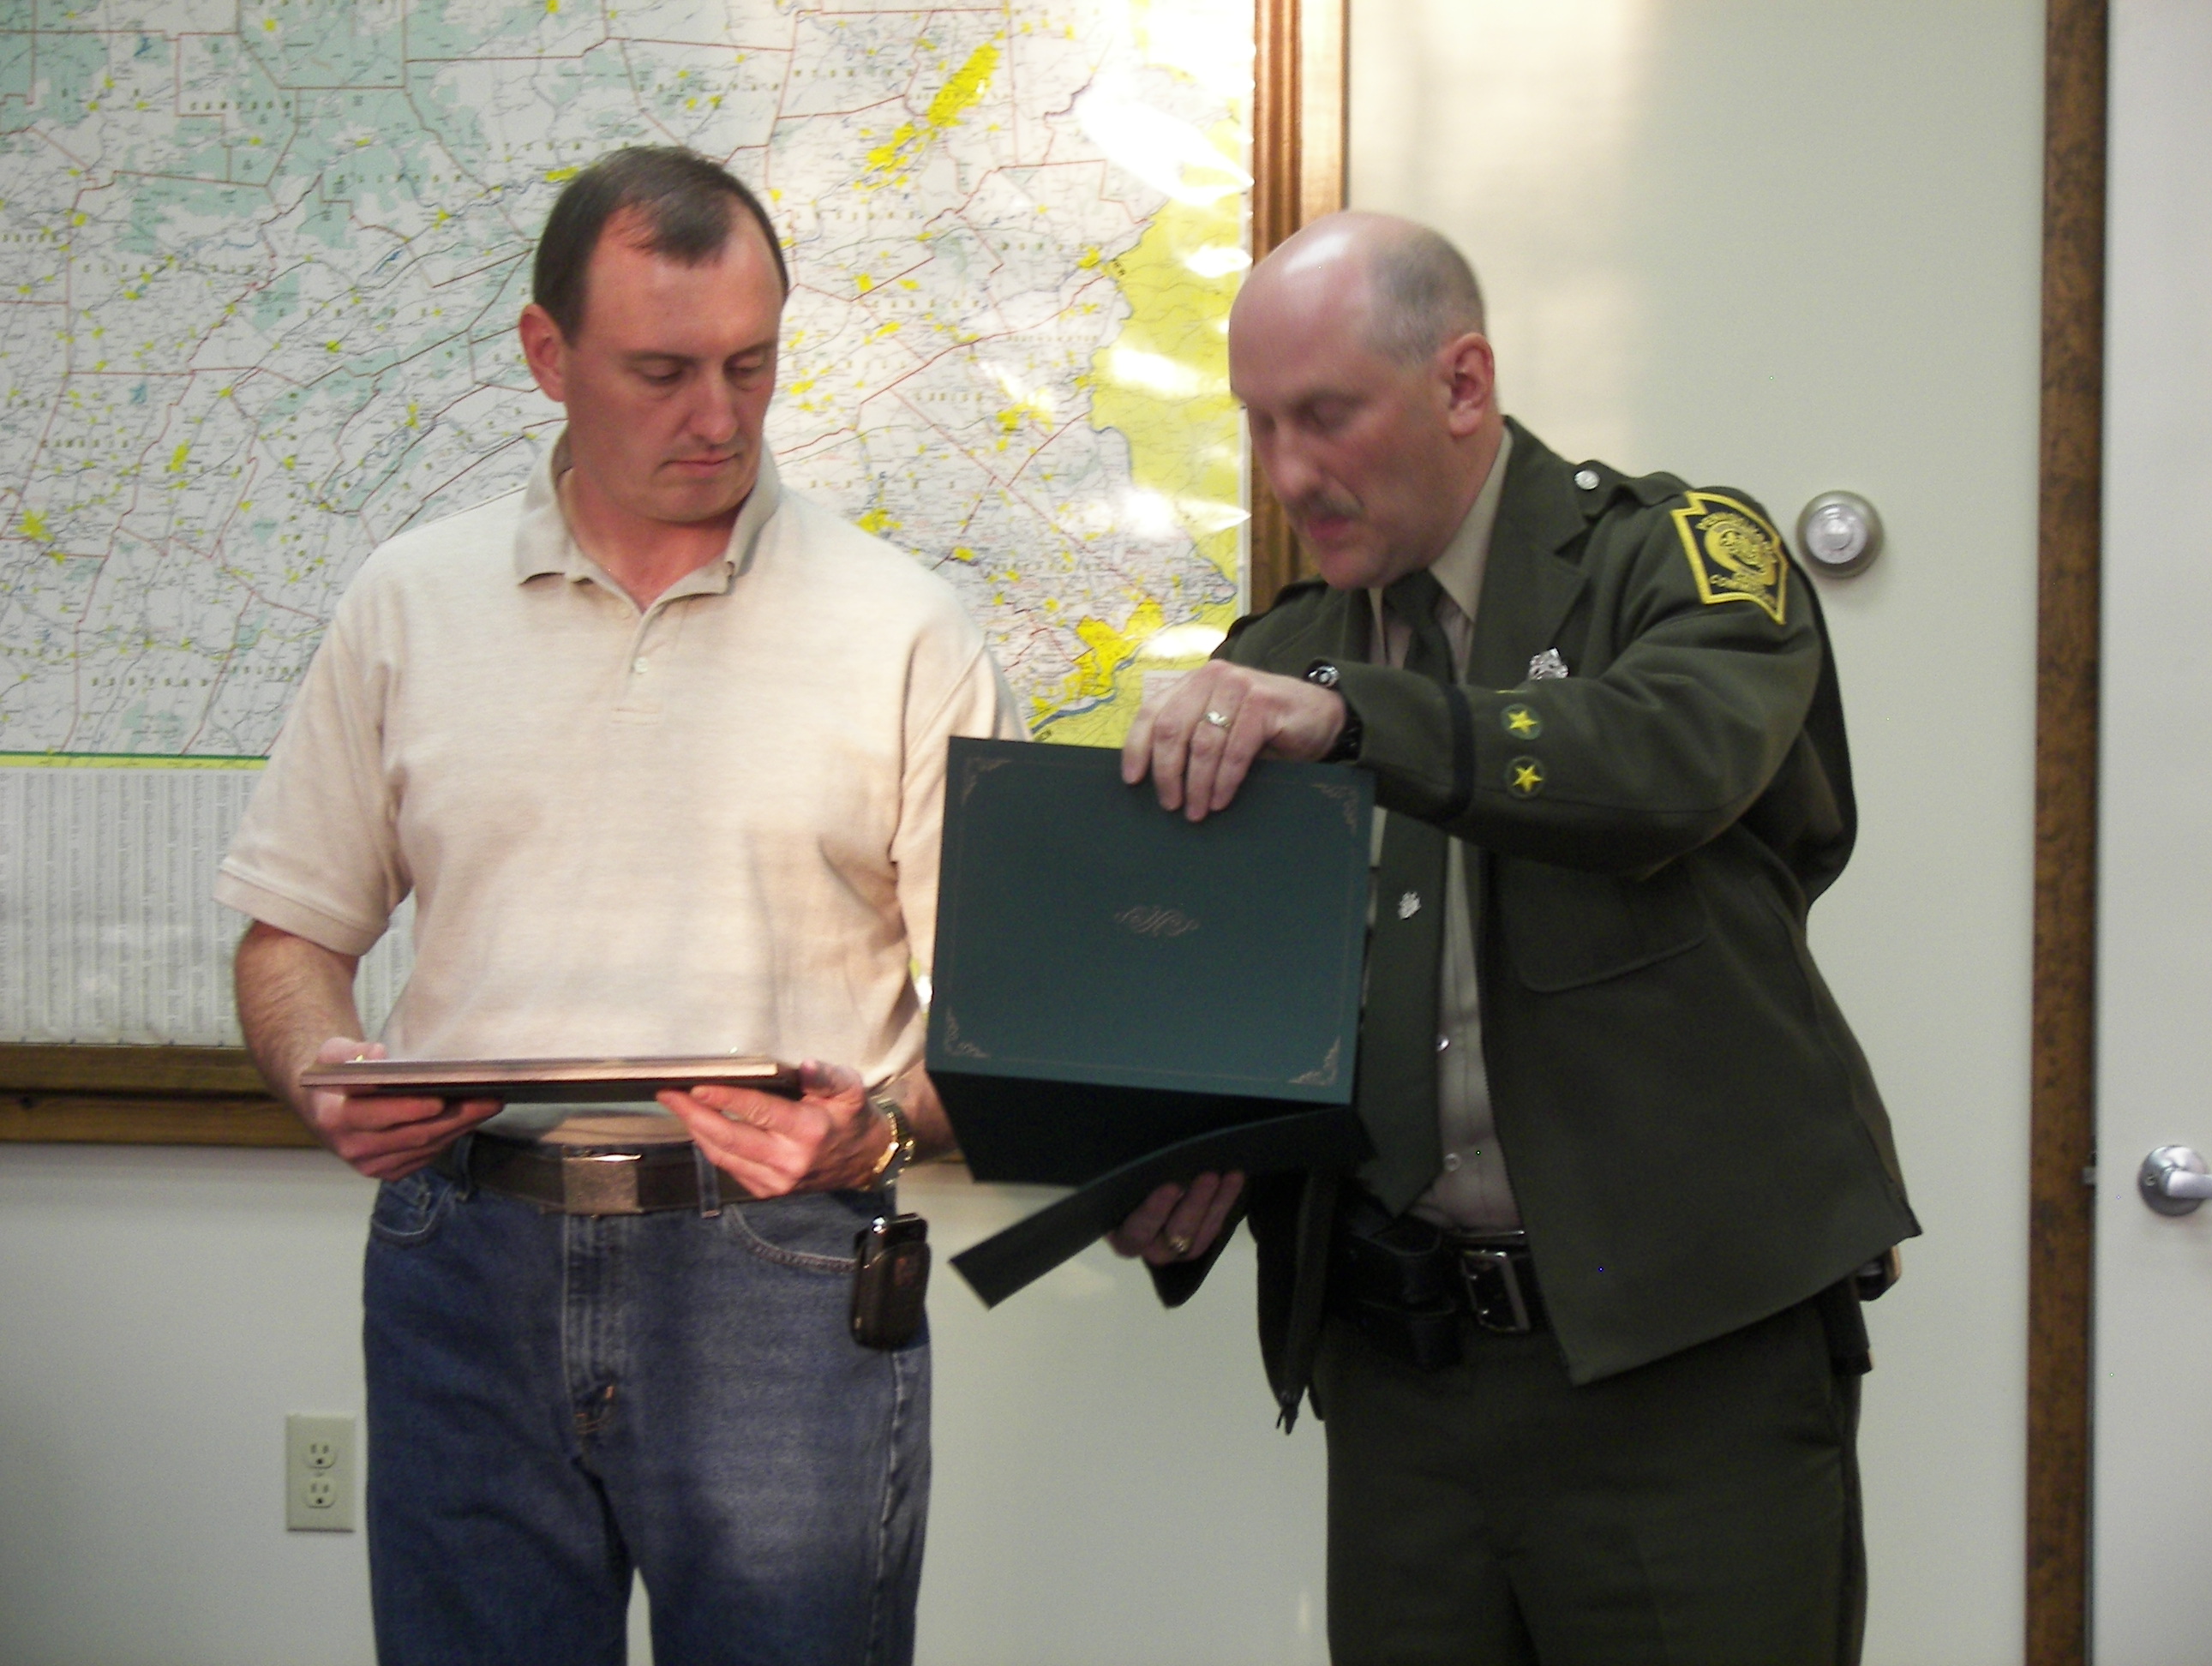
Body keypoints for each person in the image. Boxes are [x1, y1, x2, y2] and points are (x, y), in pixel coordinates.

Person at [219, 147, 1019, 1666]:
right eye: (660, 370)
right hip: (465, 1259)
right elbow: (290, 941)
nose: (717, 418)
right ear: (546, 357)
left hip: (780, 1271)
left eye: (752, 364)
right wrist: (323, 1071)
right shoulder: (409, 603)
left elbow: (1004, 1022)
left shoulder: (903, 628)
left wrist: (881, 1130)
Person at [1110, 211, 1918, 1664]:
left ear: (1464, 382)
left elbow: (1669, 757)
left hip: (1688, 1372)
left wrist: (1370, 719)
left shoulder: (1672, 561)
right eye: (1262, 426)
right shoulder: (1281, 656)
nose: (1291, 475)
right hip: (1405, 1377)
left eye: (1329, 416)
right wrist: (1179, 1161)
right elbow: (1235, 1002)